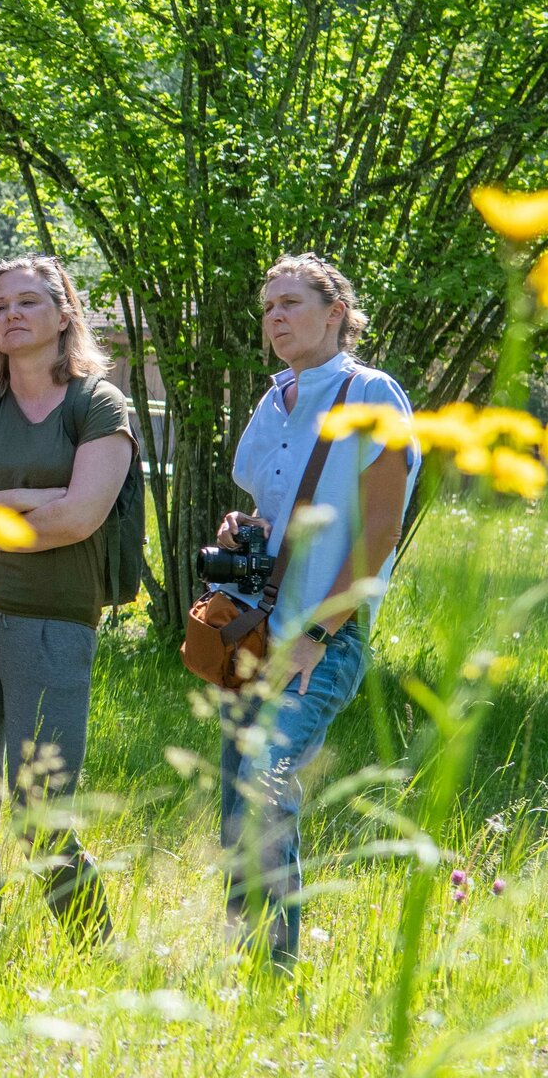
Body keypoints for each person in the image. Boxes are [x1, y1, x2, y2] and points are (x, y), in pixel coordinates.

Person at [0, 255, 135, 958]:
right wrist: (24, 499)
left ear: (64, 313)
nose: (11, 314)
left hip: (53, 623)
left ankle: (91, 951)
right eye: (0, 305)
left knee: (42, 805)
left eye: (29, 303)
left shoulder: (97, 405)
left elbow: (80, 518)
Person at [214, 253, 416, 970]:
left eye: (291, 303)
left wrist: (319, 635)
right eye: (268, 307)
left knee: (264, 789)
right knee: (237, 798)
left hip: (320, 636)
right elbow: (272, 510)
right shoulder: (275, 399)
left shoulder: (372, 392)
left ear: (336, 313)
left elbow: (381, 528)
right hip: (255, 629)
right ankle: (246, 962)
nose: (275, 318)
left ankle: (274, 969)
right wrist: (242, 530)